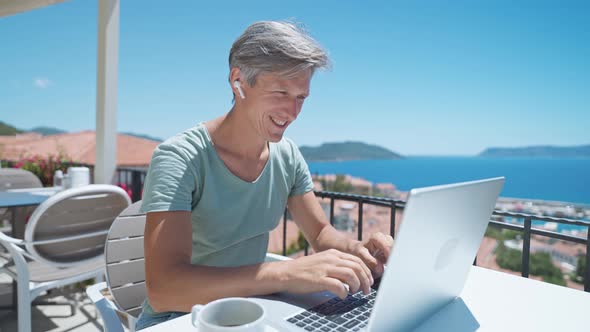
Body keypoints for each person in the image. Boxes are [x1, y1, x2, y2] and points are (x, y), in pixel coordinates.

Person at [135, 20, 394, 330]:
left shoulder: (287, 155)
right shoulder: (180, 158)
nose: (292, 111)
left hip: (253, 313)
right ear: (238, 81)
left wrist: (359, 251)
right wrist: (286, 274)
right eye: (281, 91)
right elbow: (165, 291)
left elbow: (321, 234)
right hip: (180, 320)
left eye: (301, 97)